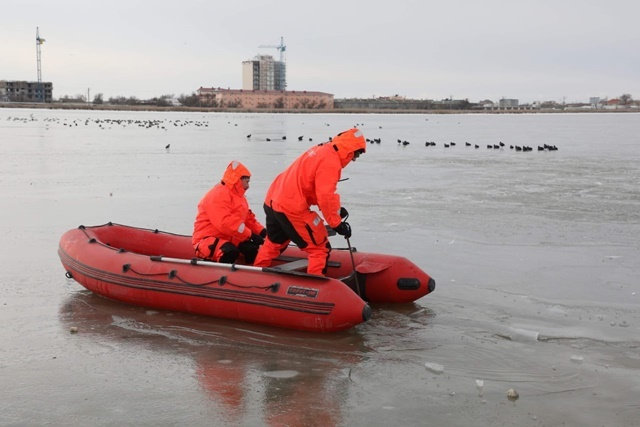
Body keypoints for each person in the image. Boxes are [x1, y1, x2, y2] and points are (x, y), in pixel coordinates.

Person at [253, 128, 366, 275]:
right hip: (291, 206)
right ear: (350, 151)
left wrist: (336, 211)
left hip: (273, 199)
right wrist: (336, 223)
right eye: (355, 155)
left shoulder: (322, 150)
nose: (354, 160)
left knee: (274, 243)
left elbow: (315, 189)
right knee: (320, 248)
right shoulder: (330, 161)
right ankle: (314, 288)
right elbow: (325, 195)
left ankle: (254, 274)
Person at [193, 160, 266, 264]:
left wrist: (262, 232)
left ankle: (251, 276)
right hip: (208, 239)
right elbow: (226, 223)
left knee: (252, 249)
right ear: (239, 180)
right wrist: (251, 235)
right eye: (247, 182)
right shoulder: (217, 195)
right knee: (230, 251)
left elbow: (248, 219)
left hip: (230, 238)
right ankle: (220, 277)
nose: (248, 186)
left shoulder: (239, 197)